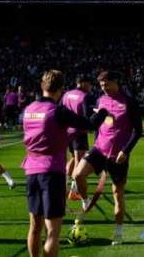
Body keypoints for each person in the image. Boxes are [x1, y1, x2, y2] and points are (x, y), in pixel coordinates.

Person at [22, 70, 100, 257]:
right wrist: (103, 112)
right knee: (52, 232)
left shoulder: (29, 109)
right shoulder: (58, 111)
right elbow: (89, 123)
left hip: (31, 170)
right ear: (61, 89)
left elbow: (47, 134)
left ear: (42, 86)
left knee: (34, 227)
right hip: (52, 172)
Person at [72, 70, 143, 246]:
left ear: (116, 81)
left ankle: (118, 233)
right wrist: (96, 141)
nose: (104, 88)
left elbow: (138, 130)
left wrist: (126, 151)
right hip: (99, 149)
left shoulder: (129, 102)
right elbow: (97, 125)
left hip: (118, 156)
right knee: (77, 174)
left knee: (117, 195)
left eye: (107, 84)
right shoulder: (100, 100)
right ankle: (86, 201)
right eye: (101, 85)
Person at [62, 75, 94, 201]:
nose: (90, 87)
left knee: (73, 159)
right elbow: (87, 116)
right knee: (79, 161)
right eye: (89, 84)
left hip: (67, 131)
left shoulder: (67, 94)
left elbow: (61, 110)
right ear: (82, 83)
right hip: (79, 132)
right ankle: (74, 190)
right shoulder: (84, 96)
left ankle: (63, 186)